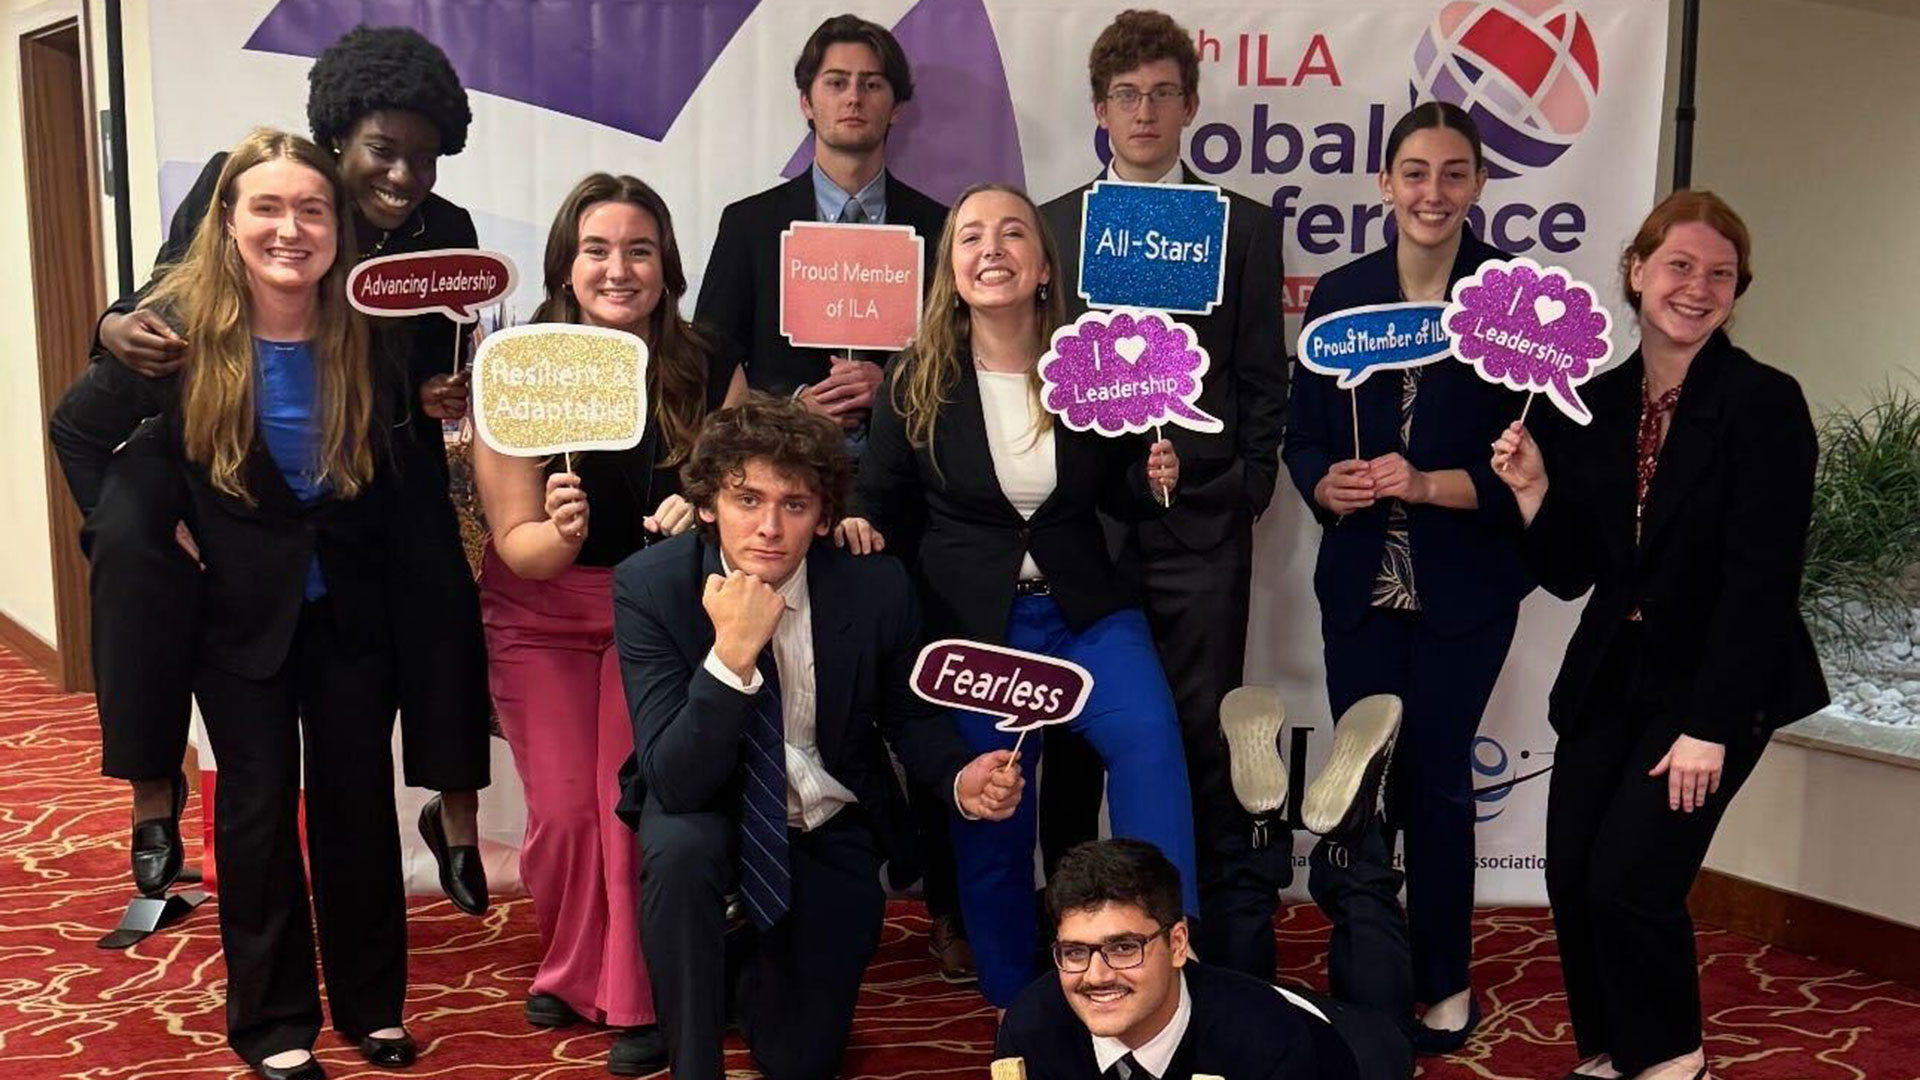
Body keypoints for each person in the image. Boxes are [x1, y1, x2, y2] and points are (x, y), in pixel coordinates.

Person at [46, 23, 490, 912]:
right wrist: (107, 323)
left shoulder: (444, 232)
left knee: (438, 570)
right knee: (133, 543)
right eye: (381, 151)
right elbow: (174, 288)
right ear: (334, 142)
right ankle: (151, 792)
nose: (403, 176)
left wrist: (444, 391)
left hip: (356, 446)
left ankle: (455, 810)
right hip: (212, 431)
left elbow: (421, 371)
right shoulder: (248, 186)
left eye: (426, 158)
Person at [116, 127, 475, 1079]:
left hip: (354, 614)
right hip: (236, 619)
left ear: (337, 226)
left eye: (312, 209)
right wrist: (144, 532)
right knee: (258, 812)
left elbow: (401, 468)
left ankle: (372, 1008)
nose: (291, 228)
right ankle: (273, 1025)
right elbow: (82, 431)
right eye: (267, 207)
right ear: (228, 221)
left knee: (358, 807)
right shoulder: (178, 329)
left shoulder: (377, 331)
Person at [1491, 191, 1827, 1080]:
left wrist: (1709, 727)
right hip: (1614, 673)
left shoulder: (1764, 403)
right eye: (1679, 265)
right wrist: (1531, 488)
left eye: (1720, 274)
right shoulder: (1593, 402)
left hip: (1718, 682)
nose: (1698, 287)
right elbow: (1572, 572)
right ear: (1637, 272)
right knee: (1571, 876)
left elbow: (1760, 587)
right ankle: (1614, 1051)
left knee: (1631, 884)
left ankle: (1674, 1061)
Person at [845, 183, 1199, 1011]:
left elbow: (1119, 493)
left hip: (1086, 616)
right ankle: (1015, 999)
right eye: (971, 236)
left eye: (1012, 233)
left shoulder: (1093, 365)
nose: (992, 248)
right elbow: (879, 493)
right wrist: (857, 520)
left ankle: (1174, 971)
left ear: (1044, 267)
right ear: (951, 267)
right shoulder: (916, 380)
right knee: (992, 806)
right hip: (978, 631)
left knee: (1152, 752)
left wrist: (1156, 481)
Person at [611, 395, 1023, 1080]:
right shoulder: (651, 586)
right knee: (680, 850)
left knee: (803, 1059)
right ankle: (692, 1056)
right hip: (709, 805)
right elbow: (675, 779)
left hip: (824, 812)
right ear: (709, 504)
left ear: (825, 515)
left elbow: (908, 717)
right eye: (747, 500)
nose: (768, 527)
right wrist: (733, 655)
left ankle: (749, 975)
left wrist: (959, 777)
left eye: (794, 505)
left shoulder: (873, 583)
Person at [691, 11, 970, 980]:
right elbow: (705, 374)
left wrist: (891, 392)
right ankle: (764, 888)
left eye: (872, 82)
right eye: (837, 82)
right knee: (786, 702)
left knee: (926, 701)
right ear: (806, 100)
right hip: (780, 514)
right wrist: (788, 413)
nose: (854, 97)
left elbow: (974, 371)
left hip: (913, 508)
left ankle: (948, 904)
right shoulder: (749, 226)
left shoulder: (941, 230)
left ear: (896, 103)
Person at [1035, 8, 1290, 980]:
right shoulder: (1056, 227)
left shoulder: (1244, 228)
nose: (1145, 111)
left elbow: (1264, 381)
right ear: (1101, 110)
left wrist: (1243, 487)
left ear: (1191, 104)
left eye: (1163, 93)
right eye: (1126, 95)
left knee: (1197, 734)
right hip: (1083, 530)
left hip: (1201, 525)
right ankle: (1074, 941)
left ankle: (1191, 942)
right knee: (1072, 738)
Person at [471, 174, 744, 1074]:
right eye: (597, 249)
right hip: (540, 613)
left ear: (667, 264)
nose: (618, 268)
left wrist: (700, 513)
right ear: (565, 263)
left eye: (639, 249)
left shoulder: (706, 365)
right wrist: (557, 533)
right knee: (561, 813)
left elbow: (747, 495)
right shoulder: (518, 364)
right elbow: (516, 544)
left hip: (658, 617)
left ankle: (634, 994)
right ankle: (570, 964)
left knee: (627, 807)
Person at [1278, 101, 1532, 1053]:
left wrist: (1431, 483)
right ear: (1385, 183)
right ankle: (1365, 969)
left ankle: (1442, 979)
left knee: (1435, 780)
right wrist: (1322, 482)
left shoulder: (1511, 297)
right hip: (1359, 584)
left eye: (1453, 173)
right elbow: (1303, 434)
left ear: (1476, 186)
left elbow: (1532, 466)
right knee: (1360, 785)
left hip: (1465, 585)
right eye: (1415, 172)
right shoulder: (1342, 294)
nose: (1433, 191)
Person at [996, 838, 1412, 1080]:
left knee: (1388, 1027)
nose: (1096, 975)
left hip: (1353, 1049)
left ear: (1178, 943)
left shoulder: (1269, 1045)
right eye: (1075, 952)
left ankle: (1356, 840)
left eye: (1124, 947)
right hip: (1214, 999)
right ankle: (1258, 832)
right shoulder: (1031, 1029)